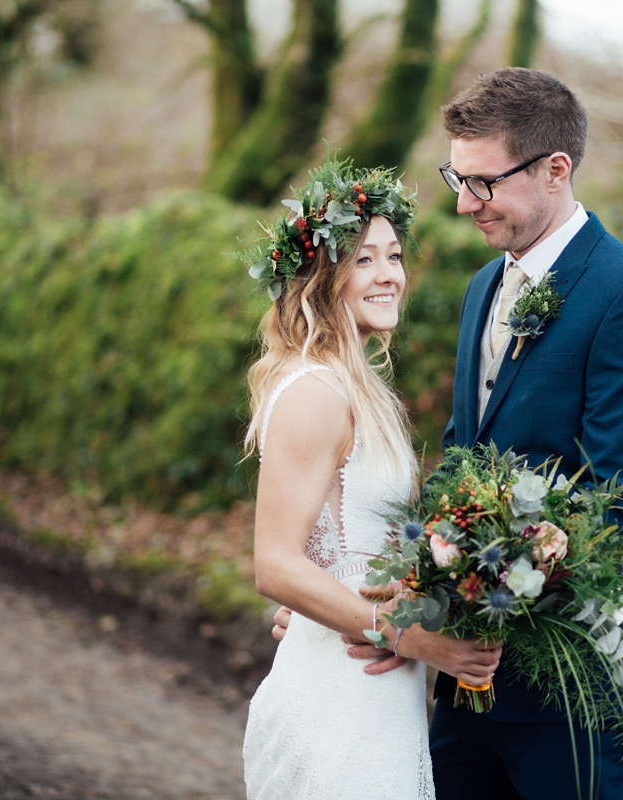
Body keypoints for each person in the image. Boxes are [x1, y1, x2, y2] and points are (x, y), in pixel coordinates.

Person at [278, 69, 623, 798]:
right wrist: (347, 591)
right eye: (456, 178)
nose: (463, 203)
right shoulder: (483, 289)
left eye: (483, 182)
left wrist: (424, 601)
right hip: (468, 682)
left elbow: (612, 502)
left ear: (555, 170)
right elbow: (462, 465)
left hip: (579, 682)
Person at [240, 159, 501, 800]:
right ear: (322, 278)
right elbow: (275, 565)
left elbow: (340, 542)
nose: (389, 275)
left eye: (394, 256)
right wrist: (412, 638)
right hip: (339, 695)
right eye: (363, 260)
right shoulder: (316, 392)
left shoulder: (361, 388)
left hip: (374, 688)